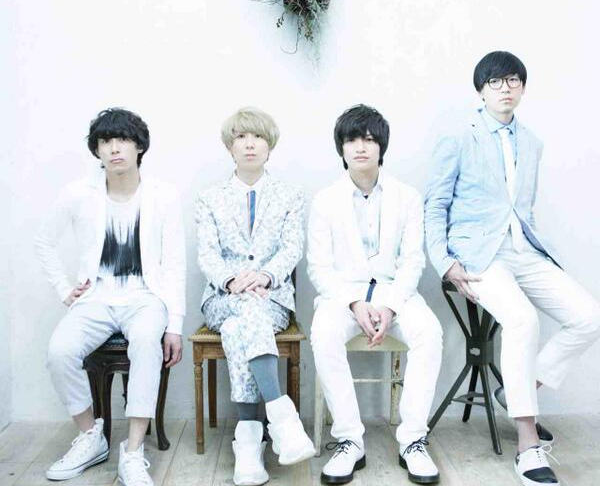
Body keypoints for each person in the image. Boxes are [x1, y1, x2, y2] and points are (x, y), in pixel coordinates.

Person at [424, 51, 600, 486]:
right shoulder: (458, 137)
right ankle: (527, 443)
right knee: (522, 320)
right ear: (480, 90)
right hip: (478, 256)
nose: (505, 88)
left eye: (513, 81)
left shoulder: (533, 142)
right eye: (496, 82)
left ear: (522, 88)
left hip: (524, 251)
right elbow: (435, 205)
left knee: (589, 317)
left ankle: (518, 390)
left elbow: (522, 207)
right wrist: (446, 262)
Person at [36, 108, 186, 486]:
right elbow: (43, 241)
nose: (114, 148)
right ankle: (91, 437)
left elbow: (175, 263)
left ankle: (132, 451)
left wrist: (175, 324)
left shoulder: (163, 195)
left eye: (123, 140)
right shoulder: (78, 194)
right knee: (59, 351)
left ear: (139, 147)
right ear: (97, 150)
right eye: (105, 142)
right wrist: (64, 290)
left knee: (146, 343)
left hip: (145, 298)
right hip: (96, 298)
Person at [308, 104, 443, 485]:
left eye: (369, 139)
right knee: (323, 333)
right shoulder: (325, 200)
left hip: (395, 292)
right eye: (352, 140)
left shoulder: (407, 196)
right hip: (343, 296)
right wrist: (354, 303)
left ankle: (412, 439)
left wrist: (390, 305)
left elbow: (413, 261)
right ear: (342, 147)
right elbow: (318, 267)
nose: (361, 147)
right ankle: (350, 440)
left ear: (381, 146)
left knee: (430, 333)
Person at [195, 107, 314, 486]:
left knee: (239, 326)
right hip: (222, 296)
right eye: (241, 137)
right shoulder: (209, 198)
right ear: (229, 147)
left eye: (258, 136)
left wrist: (264, 276)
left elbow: (291, 248)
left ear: (269, 145)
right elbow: (207, 254)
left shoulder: (290, 195)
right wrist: (232, 280)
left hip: (271, 296)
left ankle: (248, 439)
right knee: (246, 309)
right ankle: (282, 418)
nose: (249, 144)